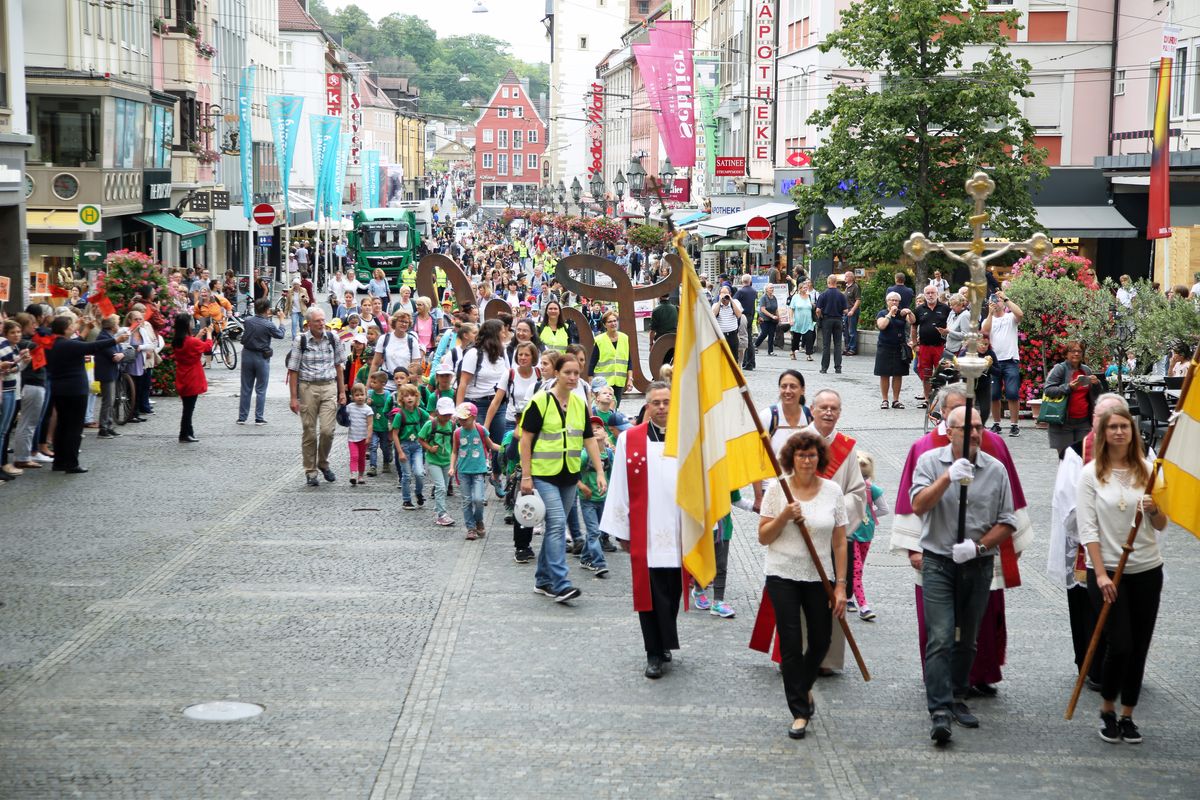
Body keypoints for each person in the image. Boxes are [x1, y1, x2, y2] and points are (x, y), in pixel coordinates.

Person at [891, 384, 1033, 700]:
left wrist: (1007, 545)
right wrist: (914, 547)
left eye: (976, 421)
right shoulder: (924, 450)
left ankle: (980, 674)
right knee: (940, 630)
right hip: (938, 555)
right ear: (943, 414)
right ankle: (941, 692)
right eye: (958, 411)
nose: (971, 428)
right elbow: (912, 501)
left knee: (976, 626)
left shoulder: (993, 445)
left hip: (981, 553)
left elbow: (1008, 504)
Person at [911, 404, 1017, 744]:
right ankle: (939, 710)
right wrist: (947, 477)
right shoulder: (929, 462)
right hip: (939, 562)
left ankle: (957, 694)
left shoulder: (995, 469)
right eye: (966, 428)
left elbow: (1007, 521)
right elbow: (918, 505)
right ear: (949, 430)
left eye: (978, 427)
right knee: (941, 634)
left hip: (977, 563)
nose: (974, 433)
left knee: (967, 637)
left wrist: (980, 548)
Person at [1077, 406, 1166, 744]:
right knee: (1121, 643)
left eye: (1124, 427)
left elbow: (1161, 525)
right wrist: (1099, 575)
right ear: (1104, 433)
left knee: (1140, 645)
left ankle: (1128, 713)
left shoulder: (1148, 470)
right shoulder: (1090, 474)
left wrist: (1154, 509)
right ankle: (1107, 709)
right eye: (1112, 427)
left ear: (1133, 432)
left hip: (1147, 569)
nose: (1118, 432)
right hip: (1108, 571)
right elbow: (1088, 531)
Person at [758, 430, 848, 738]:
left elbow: (839, 543)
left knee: (822, 640)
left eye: (811, 455)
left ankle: (803, 685)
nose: (807, 461)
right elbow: (763, 537)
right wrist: (784, 515)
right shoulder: (777, 490)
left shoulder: (833, 491)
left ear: (819, 458)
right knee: (791, 642)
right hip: (782, 573)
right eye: (801, 455)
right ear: (791, 459)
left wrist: (841, 585)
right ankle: (799, 711)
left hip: (819, 577)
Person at [1049, 392, 1129, 694]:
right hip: (1087, 551)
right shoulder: (1075, 454)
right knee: (1089, 612)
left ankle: (1125, 669)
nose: (1109, 428)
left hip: (1127, 552)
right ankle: (1091, 667)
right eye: (1100, 419)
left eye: (1116, 421)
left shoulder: (1143, 453)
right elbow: (1067, 505)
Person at [600, 381, 682, 678]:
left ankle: (665, 638)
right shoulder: (630, 439)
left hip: (677, 527)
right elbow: (619, 483)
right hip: (644, 526)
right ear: (647, 406)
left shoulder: (688, 438)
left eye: (667, 402)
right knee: (649, 591)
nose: (661, 408)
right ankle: (653, 652)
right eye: (656, 403)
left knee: (672, 589)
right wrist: (620, 528)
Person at [520, 353, 606, 604]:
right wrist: (526, 476)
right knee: (557, 523)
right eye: (567, 372)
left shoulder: (580, 403)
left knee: (554, 528)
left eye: (576, 373)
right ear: (556, 373)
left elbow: (589, 439)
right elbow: (526, 440)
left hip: (569, 474)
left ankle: (543, 580)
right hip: (544, 473)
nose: (572, 377)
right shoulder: (540, 401)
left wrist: (599, 471)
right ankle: (561, 582)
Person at [44, 314, 128, 473]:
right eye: (72, 325)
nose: (74, 327)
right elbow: (92, 346)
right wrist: (116, 340)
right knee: (74, 428)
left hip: (59, 389)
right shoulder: (67, 345)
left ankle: (59, 461)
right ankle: (71, 463)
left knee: (62, 425)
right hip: (74, 390)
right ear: (65, 329)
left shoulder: (53, 344)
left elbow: (80, 342)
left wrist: (85, 327)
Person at [286, 307, 348, 488]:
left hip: (329, 386)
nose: (321, 324)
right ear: (308, 324)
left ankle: (323, 461)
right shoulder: (301, 340)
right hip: (307, 387)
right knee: (309, 430)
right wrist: (293, 397)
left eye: (323, 320)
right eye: (317, 321)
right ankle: (311, 470)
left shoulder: (333, 338)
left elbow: (339, 366)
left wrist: (342, 392)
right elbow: (293, 370)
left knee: (328, 431)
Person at [451, 401, 502, 540]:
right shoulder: (457, 432)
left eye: (464, 419)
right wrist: (451, 467)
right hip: (463, 471)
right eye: (460, 419)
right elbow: (454, 451)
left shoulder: (480, 430)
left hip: (478, 470)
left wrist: (505, 448)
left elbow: (491, 445)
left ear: (473, 417)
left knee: (478, 499)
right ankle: (471, 528)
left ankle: (478, 520)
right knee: (467, 501)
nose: (461, 421)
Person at [1042, 341, 1103, 457]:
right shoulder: (1059, 369)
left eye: (1079, 351)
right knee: (1065, 459)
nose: (1076, 354)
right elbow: (1048, 390)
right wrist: (1068, 387)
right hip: (1063, 423)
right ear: (1066, 354)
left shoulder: (1086, 370)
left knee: (1084, 457)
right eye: (1072, 351)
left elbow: (1096, 394)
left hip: (1084, 422)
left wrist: (1096, 384)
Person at [849, 451, 887, 622]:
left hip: (864, 533)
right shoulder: (850, 488)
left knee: (857, 568)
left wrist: (870, 516)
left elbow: (885, 509)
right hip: (853, 534)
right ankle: (864, 606)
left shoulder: (872, 489)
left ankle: (849, 595)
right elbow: (884, 510)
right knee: (856, 568)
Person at [237, 299, 286, 426]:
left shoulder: (248, 321)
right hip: (261, 357)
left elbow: (254, 323)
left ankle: (242, 417)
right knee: (261, 389)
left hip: (247, 354)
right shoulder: (268, 325)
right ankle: (259, 418)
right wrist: (281, 320)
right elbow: (280, 335)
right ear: (267, 310)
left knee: (246, 387)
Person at [576, 415, 614, 579]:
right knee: (593, 532)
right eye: (591, 429)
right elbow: (573, 474)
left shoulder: (609, 455)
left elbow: (612, 475)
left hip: (603, 498)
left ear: (605, 432)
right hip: (588, 500)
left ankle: (585, 558)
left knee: (597, 530)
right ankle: (599, 563)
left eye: (598, 427)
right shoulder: (584, 455)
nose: (595, 430)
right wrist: (583, 487)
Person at [982, 289, 1024, 437]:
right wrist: (989, 313)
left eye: (997, 300)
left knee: (1012, 392)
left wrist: (1006, 299)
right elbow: (984, 332)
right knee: (994, 394)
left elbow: (1020, 314)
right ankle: (996, 423)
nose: (996, 302)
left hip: (1010, 360)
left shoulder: (1010, 317)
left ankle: (1014, 424)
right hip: (994, 361)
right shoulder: (989, 319)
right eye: (993, 300)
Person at [171, 312, 213, 444]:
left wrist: (198, 336)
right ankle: (184, 433)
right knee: (189, 409)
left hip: (182, 375)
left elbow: (190, 344)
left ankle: (188, 432)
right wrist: (210, 333)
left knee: (187, 407)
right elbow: (208, 347)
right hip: (193, 376)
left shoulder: (178, 340)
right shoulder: (191, 341)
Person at [875, 292, 915, 409]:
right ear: (887, 302)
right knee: (884, 374)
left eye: (896, 300)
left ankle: (896, 400)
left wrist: (909, 312)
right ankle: (885, 400)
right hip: (884, 346)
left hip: (899, 347)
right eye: (891, 300)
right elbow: (882, 326)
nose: (894, 302)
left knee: (898, 374)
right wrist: (890, 314)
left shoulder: (902, 313)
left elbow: (912, 321)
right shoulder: (882, 313)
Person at [421, 397, 457, 527]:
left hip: (447, 461)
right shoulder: (430, 425)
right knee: (441, 487)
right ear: (437, 412)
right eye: (444, 414)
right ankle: (442, 514)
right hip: (433, 461)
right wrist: (430, 448)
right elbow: (420, 438)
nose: (446, 417)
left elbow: (456, 440)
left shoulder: (452, 425)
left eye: (449, 414)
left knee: (444, 487)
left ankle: (438, 511)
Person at [913, 285, 950, 408]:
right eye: (927, 293)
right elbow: (913, 326)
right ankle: (927, 398)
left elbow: (951, 325)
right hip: (924, 347)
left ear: (937, 294)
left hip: (940, 346)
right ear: (924, 295)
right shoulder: (919, 309)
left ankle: (942, 399)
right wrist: (914, 344)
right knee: (926, 374)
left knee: (941, 374)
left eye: (932, 293)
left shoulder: (945, 308)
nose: (930, 295)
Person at [391, 384, 427, 510]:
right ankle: (406, 500)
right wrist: (399, 451)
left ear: (416, 397)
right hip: (404, 446)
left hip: (417, 446)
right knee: (406, 475)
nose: (409, 398)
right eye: (406, 396)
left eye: (412, 395)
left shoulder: (419, 411)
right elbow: (394, 434)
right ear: (401, 399)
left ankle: (418, 492)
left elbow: (432, 420)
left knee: (419, 473)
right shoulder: (400, 415)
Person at [371, 312, 425, 393]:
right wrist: (369, 385)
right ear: (395, 322)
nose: (403, 324)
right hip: (386, 386)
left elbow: (415, 367)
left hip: (406, 387)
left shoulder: (412, 341)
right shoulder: (384, 339)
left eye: (406, 322)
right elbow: (375, 363)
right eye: (401, 321)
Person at [93, 315, 127, 441]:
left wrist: (121, 354)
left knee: (111, 400)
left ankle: (108, 425)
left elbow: (119, 353)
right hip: (106, 372)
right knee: (108, 401)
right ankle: (103, 427)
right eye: (117, 323)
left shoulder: (109, 336)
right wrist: (123, 354)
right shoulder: (104, 337)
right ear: (112, 326)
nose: (118, 326)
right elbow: (114, 356)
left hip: (111, 371)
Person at [589, 311, 632, 407]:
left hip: (619, 381)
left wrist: (630, 379)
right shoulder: (599, 340)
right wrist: (591, 383)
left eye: (615, 320)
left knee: (615, 408)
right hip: (603, 382)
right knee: (602, 409)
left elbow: (629, 361)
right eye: (609, 322)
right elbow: (592, 362)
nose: (613, 323)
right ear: (604, 325)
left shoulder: (625, 338)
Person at [813, 275, 847, 375]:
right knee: (838, 344)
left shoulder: (823, 295)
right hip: (838, 320)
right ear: (836, 282)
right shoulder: (841, 295)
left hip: (827, 320)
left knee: (826, 345)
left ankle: (824, 368)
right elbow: (845, 310)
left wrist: (820, 317)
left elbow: (818, 310)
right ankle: (838, 368)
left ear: (828, 282)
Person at [345, 383, 374, 486]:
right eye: (357, 395)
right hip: (352, 438)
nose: (360, 397)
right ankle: (353, 474)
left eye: (362, 394)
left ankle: (360, 476)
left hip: (363, 438)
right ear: (352, 397)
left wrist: (369, 436)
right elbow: (343, 417)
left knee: (361, 458)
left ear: (366, 395)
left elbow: (370, 424)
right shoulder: (349, 407)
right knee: (354, 456)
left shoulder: (368, 409)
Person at [711, 285, 743, 363]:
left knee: (733, 358)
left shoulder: (735, 303)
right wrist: (719, 301)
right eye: (722, 293)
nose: (724, 295)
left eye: (726, 293)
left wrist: (731, 300)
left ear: (730, 294)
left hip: (733, 335)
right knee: (720, 358)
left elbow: (739, 315)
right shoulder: (715, 305)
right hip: (720, 336)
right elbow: (713, 315)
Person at [734, 275, 759, 370]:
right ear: (750, 281)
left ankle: (747, 362)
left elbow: (733, 303)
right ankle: (750, 362)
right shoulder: (754, 291)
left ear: (742, 280)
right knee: (748, 339)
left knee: (742, 339)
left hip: (742, 317)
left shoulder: (740, 292)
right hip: (751, 316)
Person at [789, 281, 816, 361]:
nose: (806, 289)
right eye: (804, 288)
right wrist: (791, 319)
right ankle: (793, 352)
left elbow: (811, 307)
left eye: (806, 287)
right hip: (798, 321)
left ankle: (809, 355)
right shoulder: (795, 297)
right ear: (800, 289)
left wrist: (813, 305)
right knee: (796, 339)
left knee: (809, 338)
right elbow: (791, 309)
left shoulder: (809, 297)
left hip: (808, 322)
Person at [754, 284, 780, 357]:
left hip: (773, 319)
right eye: (770, 288)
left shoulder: (774, 298)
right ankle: (755, 345)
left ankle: (770, 351)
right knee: (764, 333)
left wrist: (778, 317)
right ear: (766, 289)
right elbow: (762, 309)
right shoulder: (763, 298)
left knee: (771, 334)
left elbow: (776, 309)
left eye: (773, 288)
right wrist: (772, 316)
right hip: (764, 318)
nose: (772, 289)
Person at [842, 271, 862, 356]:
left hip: (852, 312)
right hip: (846, 312)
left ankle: (852, 349)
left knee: (852, 331)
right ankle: (847, 347)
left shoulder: (855, 287)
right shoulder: (847, 287)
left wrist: (852, 310)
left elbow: (858, 300)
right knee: (845, 331)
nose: (845, 278)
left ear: (851, 277)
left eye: (846, 276)